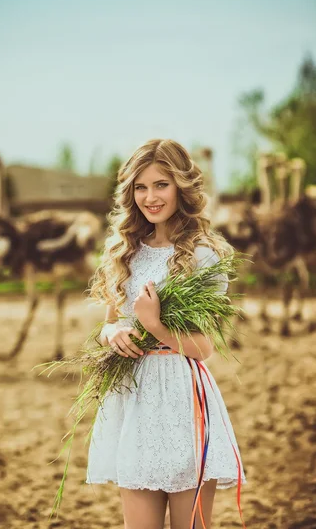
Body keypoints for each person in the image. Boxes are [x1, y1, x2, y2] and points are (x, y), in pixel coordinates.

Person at [85, 139, 246, 529]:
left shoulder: (203, 255)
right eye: (140, 187)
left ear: (182, 188)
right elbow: (109, 323)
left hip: (182, 399)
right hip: (135, 399)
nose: (149, 197)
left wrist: (154, 325)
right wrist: (112, 335)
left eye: (161, 185)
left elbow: (203, 348)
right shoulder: (126, 252)